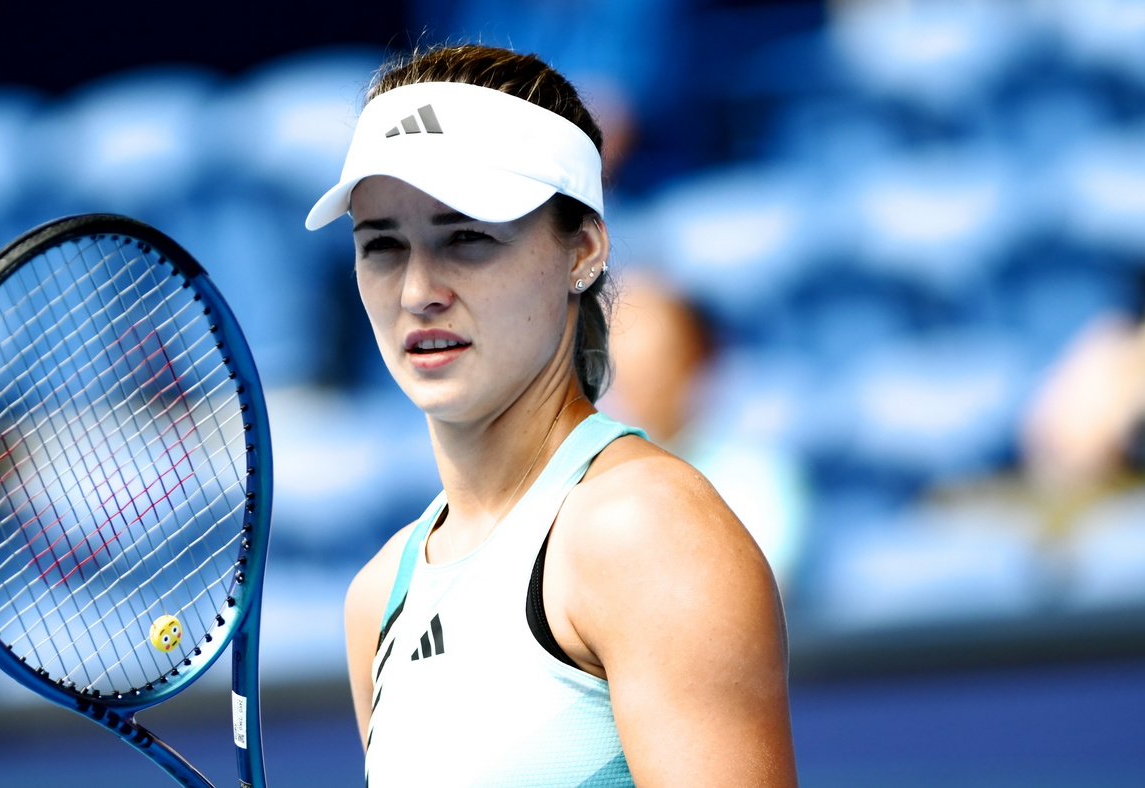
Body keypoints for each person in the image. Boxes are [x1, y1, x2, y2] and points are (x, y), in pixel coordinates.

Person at [305, 44, 796, 787]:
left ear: (583, 251)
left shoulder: (647, 531)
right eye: (382, 246)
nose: (417, 291)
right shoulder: (376, 598)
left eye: (467, 237)